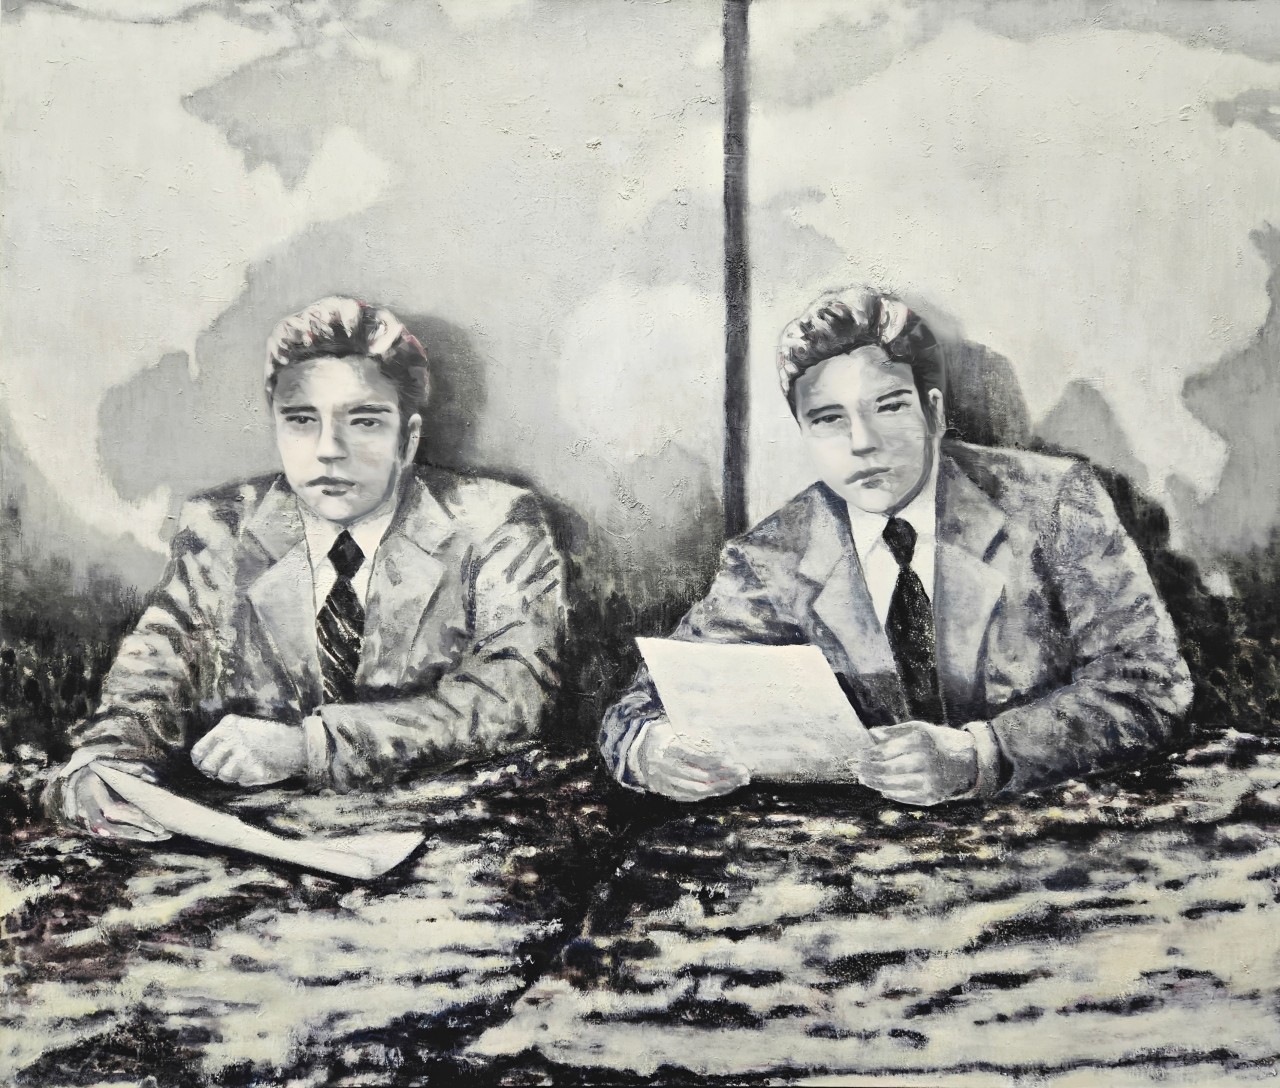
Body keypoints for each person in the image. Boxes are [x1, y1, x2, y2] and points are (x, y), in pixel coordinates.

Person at [600, 288, 1192, 805]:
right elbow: (642, 706)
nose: (862, 442)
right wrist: (655, 750)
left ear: (933, 412)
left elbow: (1148, 684)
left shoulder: (1053, 503)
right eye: (828, 420)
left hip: (1047, 832)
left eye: (888, 407)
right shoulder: (771, 556)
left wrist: (980, 755)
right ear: (805, 433)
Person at [49, 296, 567, 841]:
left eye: (364, 421)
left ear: (408, 438)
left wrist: (310, 746)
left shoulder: (495, 523)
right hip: (261, 847)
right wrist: (102, 768)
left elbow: (513, 693)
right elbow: (147, 681)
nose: (328, 450)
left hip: (447, 835)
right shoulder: (222, 531)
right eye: (301, 421)